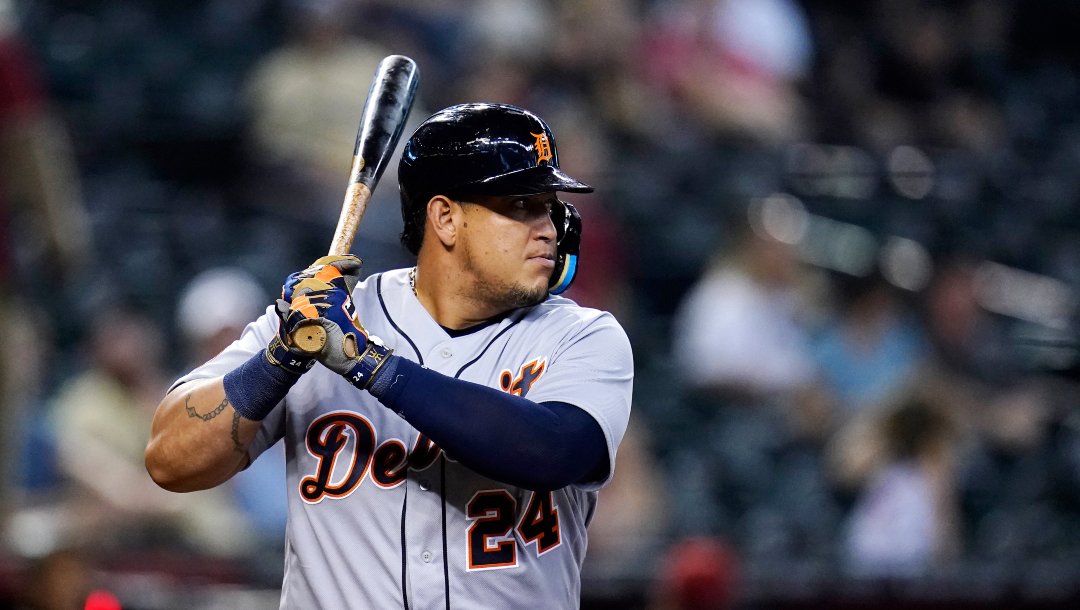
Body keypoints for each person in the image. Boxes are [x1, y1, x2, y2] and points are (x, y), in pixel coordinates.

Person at [145, 103, 634, 608]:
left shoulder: (581, 336)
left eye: (549, 206)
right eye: (520, 205)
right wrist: (281, 356)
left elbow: (555, 451)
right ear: (445, 217)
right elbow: (170, 461)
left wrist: (368, 364)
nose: (549, 228)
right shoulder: (316, 321)